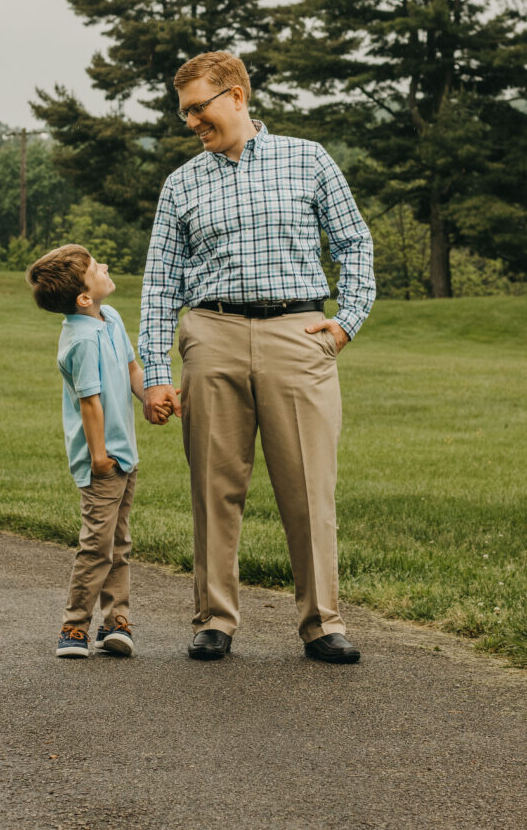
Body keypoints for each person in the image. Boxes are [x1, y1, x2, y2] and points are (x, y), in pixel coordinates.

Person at [139, 51, 375, 663]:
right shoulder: (181, 183)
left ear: (237, 96)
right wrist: (156, 376)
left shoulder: (308, 158)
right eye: (185, 111)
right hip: (211, 334)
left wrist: (346, 322)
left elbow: (354, 243)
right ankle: (215, 619)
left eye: (200, 107)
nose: (191, 120)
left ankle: (322, 623)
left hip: (298, 334)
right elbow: (160, 282)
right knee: (215, 488)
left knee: (307, 489)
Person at [27, 244, 169, 658]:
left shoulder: (110, 318)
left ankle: (115, 623)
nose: (104, 266)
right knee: (97, 546)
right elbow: (90, 403)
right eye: (95, 267)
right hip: (102, 461)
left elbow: (130, 370)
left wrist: (150, 398)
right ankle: (73, 628)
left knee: (119, 542)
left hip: (125, 455)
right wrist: (100, 457)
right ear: (83, 298)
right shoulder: (82, 340)